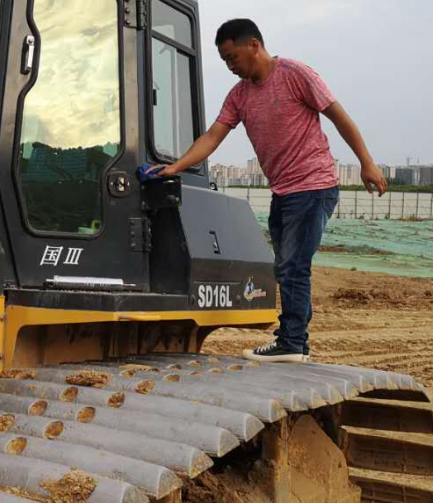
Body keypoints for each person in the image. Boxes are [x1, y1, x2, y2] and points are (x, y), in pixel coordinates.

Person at [157, 19, 386, 363]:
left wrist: (367, 163)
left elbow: (340, 117)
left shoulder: (295, 74)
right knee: (285, 267)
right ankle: (296, 339)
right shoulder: (239, 96)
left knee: (294, 266)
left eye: (233, 57)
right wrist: (174, 167)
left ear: (254, 45)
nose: (231, 66)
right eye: (224, 61)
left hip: (314, 185)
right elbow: (212, 137)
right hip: (283, 191)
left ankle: (293, 342)